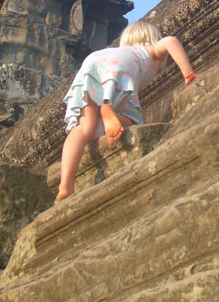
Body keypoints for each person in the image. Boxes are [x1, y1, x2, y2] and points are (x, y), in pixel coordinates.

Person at [57, 21, 197, 201]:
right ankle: (110, 112)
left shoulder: (123, 51)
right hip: (120, 67)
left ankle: (65, 185)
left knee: (83, 128)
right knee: (133, 119)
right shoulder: (152, 50)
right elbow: (170, 41)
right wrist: (188, 74)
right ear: (152, 38)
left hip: (92, 63)